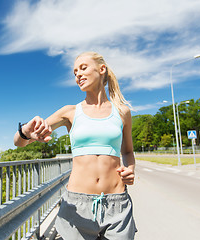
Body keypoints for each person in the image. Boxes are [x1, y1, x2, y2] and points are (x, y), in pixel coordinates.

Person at [14, 51, 137, 239]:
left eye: (83, 68)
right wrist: (25, 132)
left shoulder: (122, 112)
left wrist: (130, 169)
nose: (78, 74)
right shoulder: (69, 112)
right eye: (74, 72)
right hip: (77, 206)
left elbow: (127, 151)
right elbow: (20, 143)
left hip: (117, 204)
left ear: (101, 69)